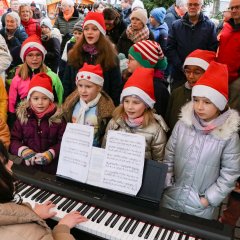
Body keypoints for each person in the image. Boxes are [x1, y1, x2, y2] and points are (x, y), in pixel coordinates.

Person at [161, 61, 240, 220]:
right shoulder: (183, 124)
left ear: (219, 104)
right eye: (196, 100)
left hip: (200, 206)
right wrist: (167, 180)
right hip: (171, 196)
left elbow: (230, 173)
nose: (199, 106)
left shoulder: (228, 136)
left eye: (207, 102)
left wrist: (208, 199)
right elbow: (169, 153)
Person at [0, 140, 87, 240]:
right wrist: (62, 228)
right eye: (4, 162)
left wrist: (32, 215)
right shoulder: (31, 235)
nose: (11, 162)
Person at [102, 67, 168, 162]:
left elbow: (159, 162)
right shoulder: (114, 123)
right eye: (126, 101)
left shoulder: (156, 131)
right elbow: (104, 151)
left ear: (146, 105)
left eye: (136, 103)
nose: (129, 107)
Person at [9, 73, 66, 174]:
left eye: (45, 98)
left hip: (52, 169)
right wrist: (23, 151)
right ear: (29, 99)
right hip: (29, 168)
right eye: (36, 98)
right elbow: (14, 140)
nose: (40, 102)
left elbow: (64, 143)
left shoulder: (58, 119)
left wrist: (51, 153)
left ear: (50, 99)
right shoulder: (23, 117)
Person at [62, 12, 122, 106]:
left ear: (101, 32)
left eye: (94, 29)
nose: (89, 32)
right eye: (86, 29)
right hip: (77, 105)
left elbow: (116, 87)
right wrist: (66, 105)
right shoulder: (74, 53)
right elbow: (67, 82)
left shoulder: (111, 57)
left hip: (102, 108)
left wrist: (113, 109)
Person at [8, 35, 64, 127]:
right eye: (30, 55)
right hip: (24, 123)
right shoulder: (17, 79)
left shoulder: (53, 77)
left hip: (48, 123)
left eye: (38, 55)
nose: (34, 59)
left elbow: (60, 100)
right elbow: (12, 103)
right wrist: (12, 123)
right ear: (24, 57)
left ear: (42, 56)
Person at [166, 0, 218, 90]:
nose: (192, 7)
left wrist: (199, 69)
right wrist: (182, 67)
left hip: (201, 75)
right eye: (190, 4)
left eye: (196, 4)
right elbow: (170, 48)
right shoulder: (176, 25)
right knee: (178, 101)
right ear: (187, 6)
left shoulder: (210, 26)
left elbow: (212, 51)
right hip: (179, 75)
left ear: (201, 6)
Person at [63, 63, 115, 147]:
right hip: (73, 148)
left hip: (93, 150)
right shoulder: (71, 104)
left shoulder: (106, 109)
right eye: (80, 86)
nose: (83, 90)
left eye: (88, 86)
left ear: (99, 88)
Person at [165, 49, 216, 131]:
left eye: (197, 72)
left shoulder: (214, 98)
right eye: (187, 71)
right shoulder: (177, 93)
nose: (191, 76)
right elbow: (168, 121)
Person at [127, 40, 169, 117]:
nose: (127, 62)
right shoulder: (130, 79)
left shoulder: (158, 89)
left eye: (131, 59)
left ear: (145, 64)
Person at [216, 0, 240, 112]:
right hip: (221, 75)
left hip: (236, 79)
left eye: (238, 7)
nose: (234, 10)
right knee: (218, 107)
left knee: (232, 112)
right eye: (232, 8)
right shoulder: (227, 26)